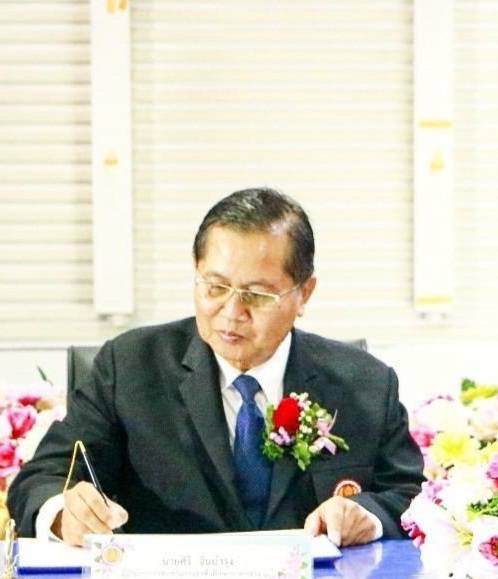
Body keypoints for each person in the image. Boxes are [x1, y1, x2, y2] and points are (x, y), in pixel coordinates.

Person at [8, 188, 425, 546]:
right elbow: (41, 480)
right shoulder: (131, 368)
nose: (231, 312)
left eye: (257, 295)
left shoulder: (365, 383)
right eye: (215, 287)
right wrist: (64, 514)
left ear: (304, 294)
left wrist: (365, 515)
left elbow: (409, 496)